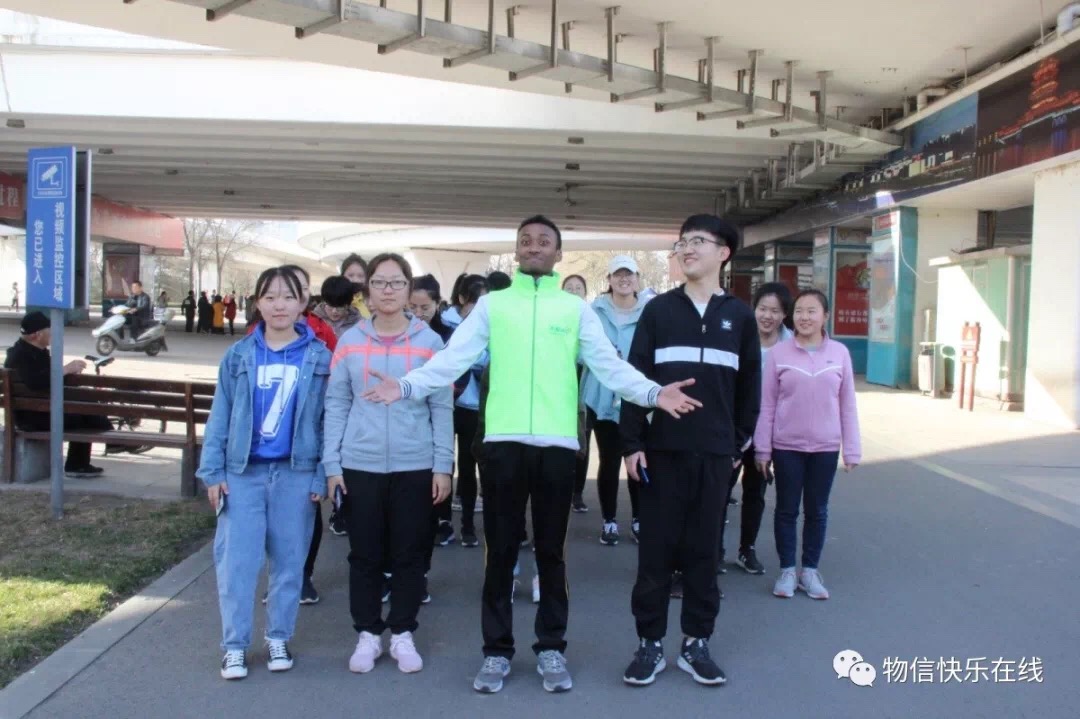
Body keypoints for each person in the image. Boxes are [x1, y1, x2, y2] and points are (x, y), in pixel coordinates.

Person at [361, 215, 701, 695]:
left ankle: (551, 647)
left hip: (558, 448)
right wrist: (406, 386)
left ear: (558, 254)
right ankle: (497, 652)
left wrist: (653, 394)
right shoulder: (493, 305)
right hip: (502, 445)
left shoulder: (574, 309)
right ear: (517, 251)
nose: (534, 246)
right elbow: (453, 359)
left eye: (544, 241)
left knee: (551, 553)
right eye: (526, 241)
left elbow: (609, 367)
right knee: (499, 553)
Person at [619, 214, 760, 688]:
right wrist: (632, 443)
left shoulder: (739, 317)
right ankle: (649, 643)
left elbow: (750, 388)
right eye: (683, 242)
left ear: (724, 252)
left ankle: (696, 642)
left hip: (715, 457)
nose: (688, 249)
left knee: (704, 552)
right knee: (655, 553)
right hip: (662, 452)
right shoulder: (659, 311)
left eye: (699, 241)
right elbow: (635, 379)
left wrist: (737, 443)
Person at [197, 266, 331, 681]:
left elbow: (328, 421)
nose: (279, 305)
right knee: (237, 563)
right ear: (257, 302)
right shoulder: (238, 355)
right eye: (270, 297)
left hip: (295, 472)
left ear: (303, 303)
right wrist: (213, 471)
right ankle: (235, 645)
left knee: (290, 562)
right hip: (243, 473)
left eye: (288, 297)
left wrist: (321, 474)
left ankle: (278, 637)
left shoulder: (320, 358)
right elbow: (220, 414)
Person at [323, 253, 453, 675]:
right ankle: (367, 632)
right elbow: (336, 403)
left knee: (409, 553)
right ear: (367, 291)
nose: (388, 290)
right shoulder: (350, 341)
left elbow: (441, 407)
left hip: (415, 464)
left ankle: (402, 633)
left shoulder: (430, 343)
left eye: (397, 283)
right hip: (359, 464)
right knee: (364, 554)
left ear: (408, 289)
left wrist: (443, 465)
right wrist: (332, 464)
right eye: (379, 282)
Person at [754, 289, 861, 601]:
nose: (804, 317)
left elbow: (847, 405)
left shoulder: (839, 353)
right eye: (799, 311)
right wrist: (763, 448)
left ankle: (810, 572)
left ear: (825, 316)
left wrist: (851, 448)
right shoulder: (780, 354)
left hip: (825, 448)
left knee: (817, 510)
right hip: (787, 446)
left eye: (812, 311)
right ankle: (787, 571)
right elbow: (768, 404)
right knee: (786, 510)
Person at [718, 282, 793, 576]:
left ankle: (746, 550)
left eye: (775, 311)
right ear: (754, 308)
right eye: (763, 308)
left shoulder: (791, 346)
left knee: (755, 491)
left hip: (768, 431)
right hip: (735, 427)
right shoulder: (739, 335)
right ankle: (714, 549)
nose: (767, 316)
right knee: (721, 490)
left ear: (784, 314)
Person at [578, 256, 648, 547]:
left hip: (637, 395)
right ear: (609, 279)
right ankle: (609, 521)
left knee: (638, 458)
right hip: (602, 395)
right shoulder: (594, 311)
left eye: (629, 274)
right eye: (618, 274)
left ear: (637, 278)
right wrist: (602, 357)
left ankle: (639, 519)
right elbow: (579, 351)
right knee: (609, 459)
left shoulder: (650, 312)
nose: (624, 279)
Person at [3, 312, 114, 477]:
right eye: (49, 329)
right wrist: (65, 369)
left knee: (84, 409)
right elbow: (36, 383)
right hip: (32, 418)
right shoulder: (21, 356)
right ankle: (82, 462)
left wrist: (68, 374)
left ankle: (91, 456)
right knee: (84, 414)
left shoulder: (31, 351)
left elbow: (47, 381)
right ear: (37, 335)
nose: (52, 333)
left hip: (40, 410)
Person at [440, 274, 489, 548]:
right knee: (444, 464)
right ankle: (443, 522)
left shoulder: (490, 326)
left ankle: (468, 525)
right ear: (461, 299)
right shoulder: (444, 325)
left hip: (474, 406)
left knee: (470, 467)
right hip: (447, 404)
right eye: (477, 301)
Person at [408, 275, 453, 344]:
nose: (418, 314)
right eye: (412, 307)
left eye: (425, 308)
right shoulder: (395, 331)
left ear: (437, 304)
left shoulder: (448, 336)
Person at [341, 254, 372, 319]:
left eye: (360, 276)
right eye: (350, 275)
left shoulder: (372, 303)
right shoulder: (333, 302)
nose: (356, 280)